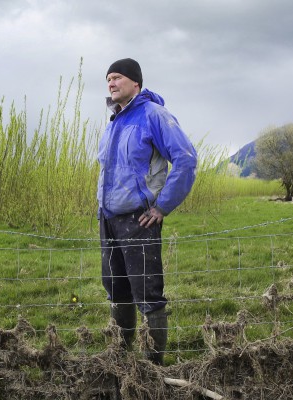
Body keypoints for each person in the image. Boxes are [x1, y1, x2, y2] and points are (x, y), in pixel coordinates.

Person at [97, 58, 197, 365]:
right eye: (108, 79)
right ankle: (123, 358)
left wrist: (162, 206)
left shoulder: (154, 115)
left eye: (116, 78)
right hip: (109, 220)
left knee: (147, 293)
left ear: (135, 83)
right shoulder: (114, 122)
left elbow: (186, 159)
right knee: (116, 288)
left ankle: (153, 366)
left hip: (139, 219)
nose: (111, 83)